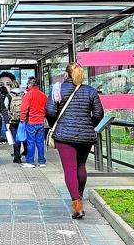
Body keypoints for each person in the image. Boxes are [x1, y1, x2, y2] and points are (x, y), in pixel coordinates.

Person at [46, 63, 103, 219]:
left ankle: (77, 206)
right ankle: (79, 196)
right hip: (86, 136)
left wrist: (55, 125)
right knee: (81, 166)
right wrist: (88, 125)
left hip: (64, 136)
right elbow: (99, 114)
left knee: (69, 169)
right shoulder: (90, 91)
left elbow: (50, 111)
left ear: (66, 74)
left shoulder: (58, 90)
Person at [20, 77, 48, 168]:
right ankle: (41, 161)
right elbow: (46, 108)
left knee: (30, 142)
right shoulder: (43, 95)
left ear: (30, 84)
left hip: (31, 121)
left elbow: (24, 109)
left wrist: (22, 120)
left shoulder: (28, 95)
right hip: (41, 121)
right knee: (40, 142)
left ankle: (30, 161)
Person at [7, 87, 27, 163]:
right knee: (24, 136)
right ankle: (26, 153)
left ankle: (17, 157)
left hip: (13, 121)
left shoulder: (9, 96)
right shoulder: (23, 95)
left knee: (15, 139)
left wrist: (8, 119)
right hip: (22, 120)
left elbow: (5, 108)